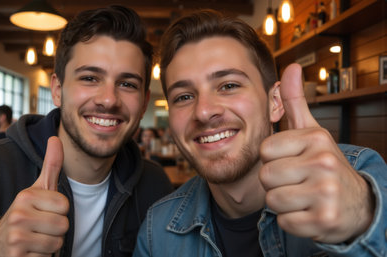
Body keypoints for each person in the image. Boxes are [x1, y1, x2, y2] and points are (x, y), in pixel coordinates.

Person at [133, 10, 387, 257]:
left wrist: (361, 216)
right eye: (184, 96)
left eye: (229, 85)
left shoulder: (359, 175)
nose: (204, 111)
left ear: (275, 102)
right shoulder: (158, 231)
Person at [0, 5, 173, 257]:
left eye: (127, 84)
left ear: (145, 101)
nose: (108, 100)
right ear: (58, 89)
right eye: (90, 78)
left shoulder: (155, 186)